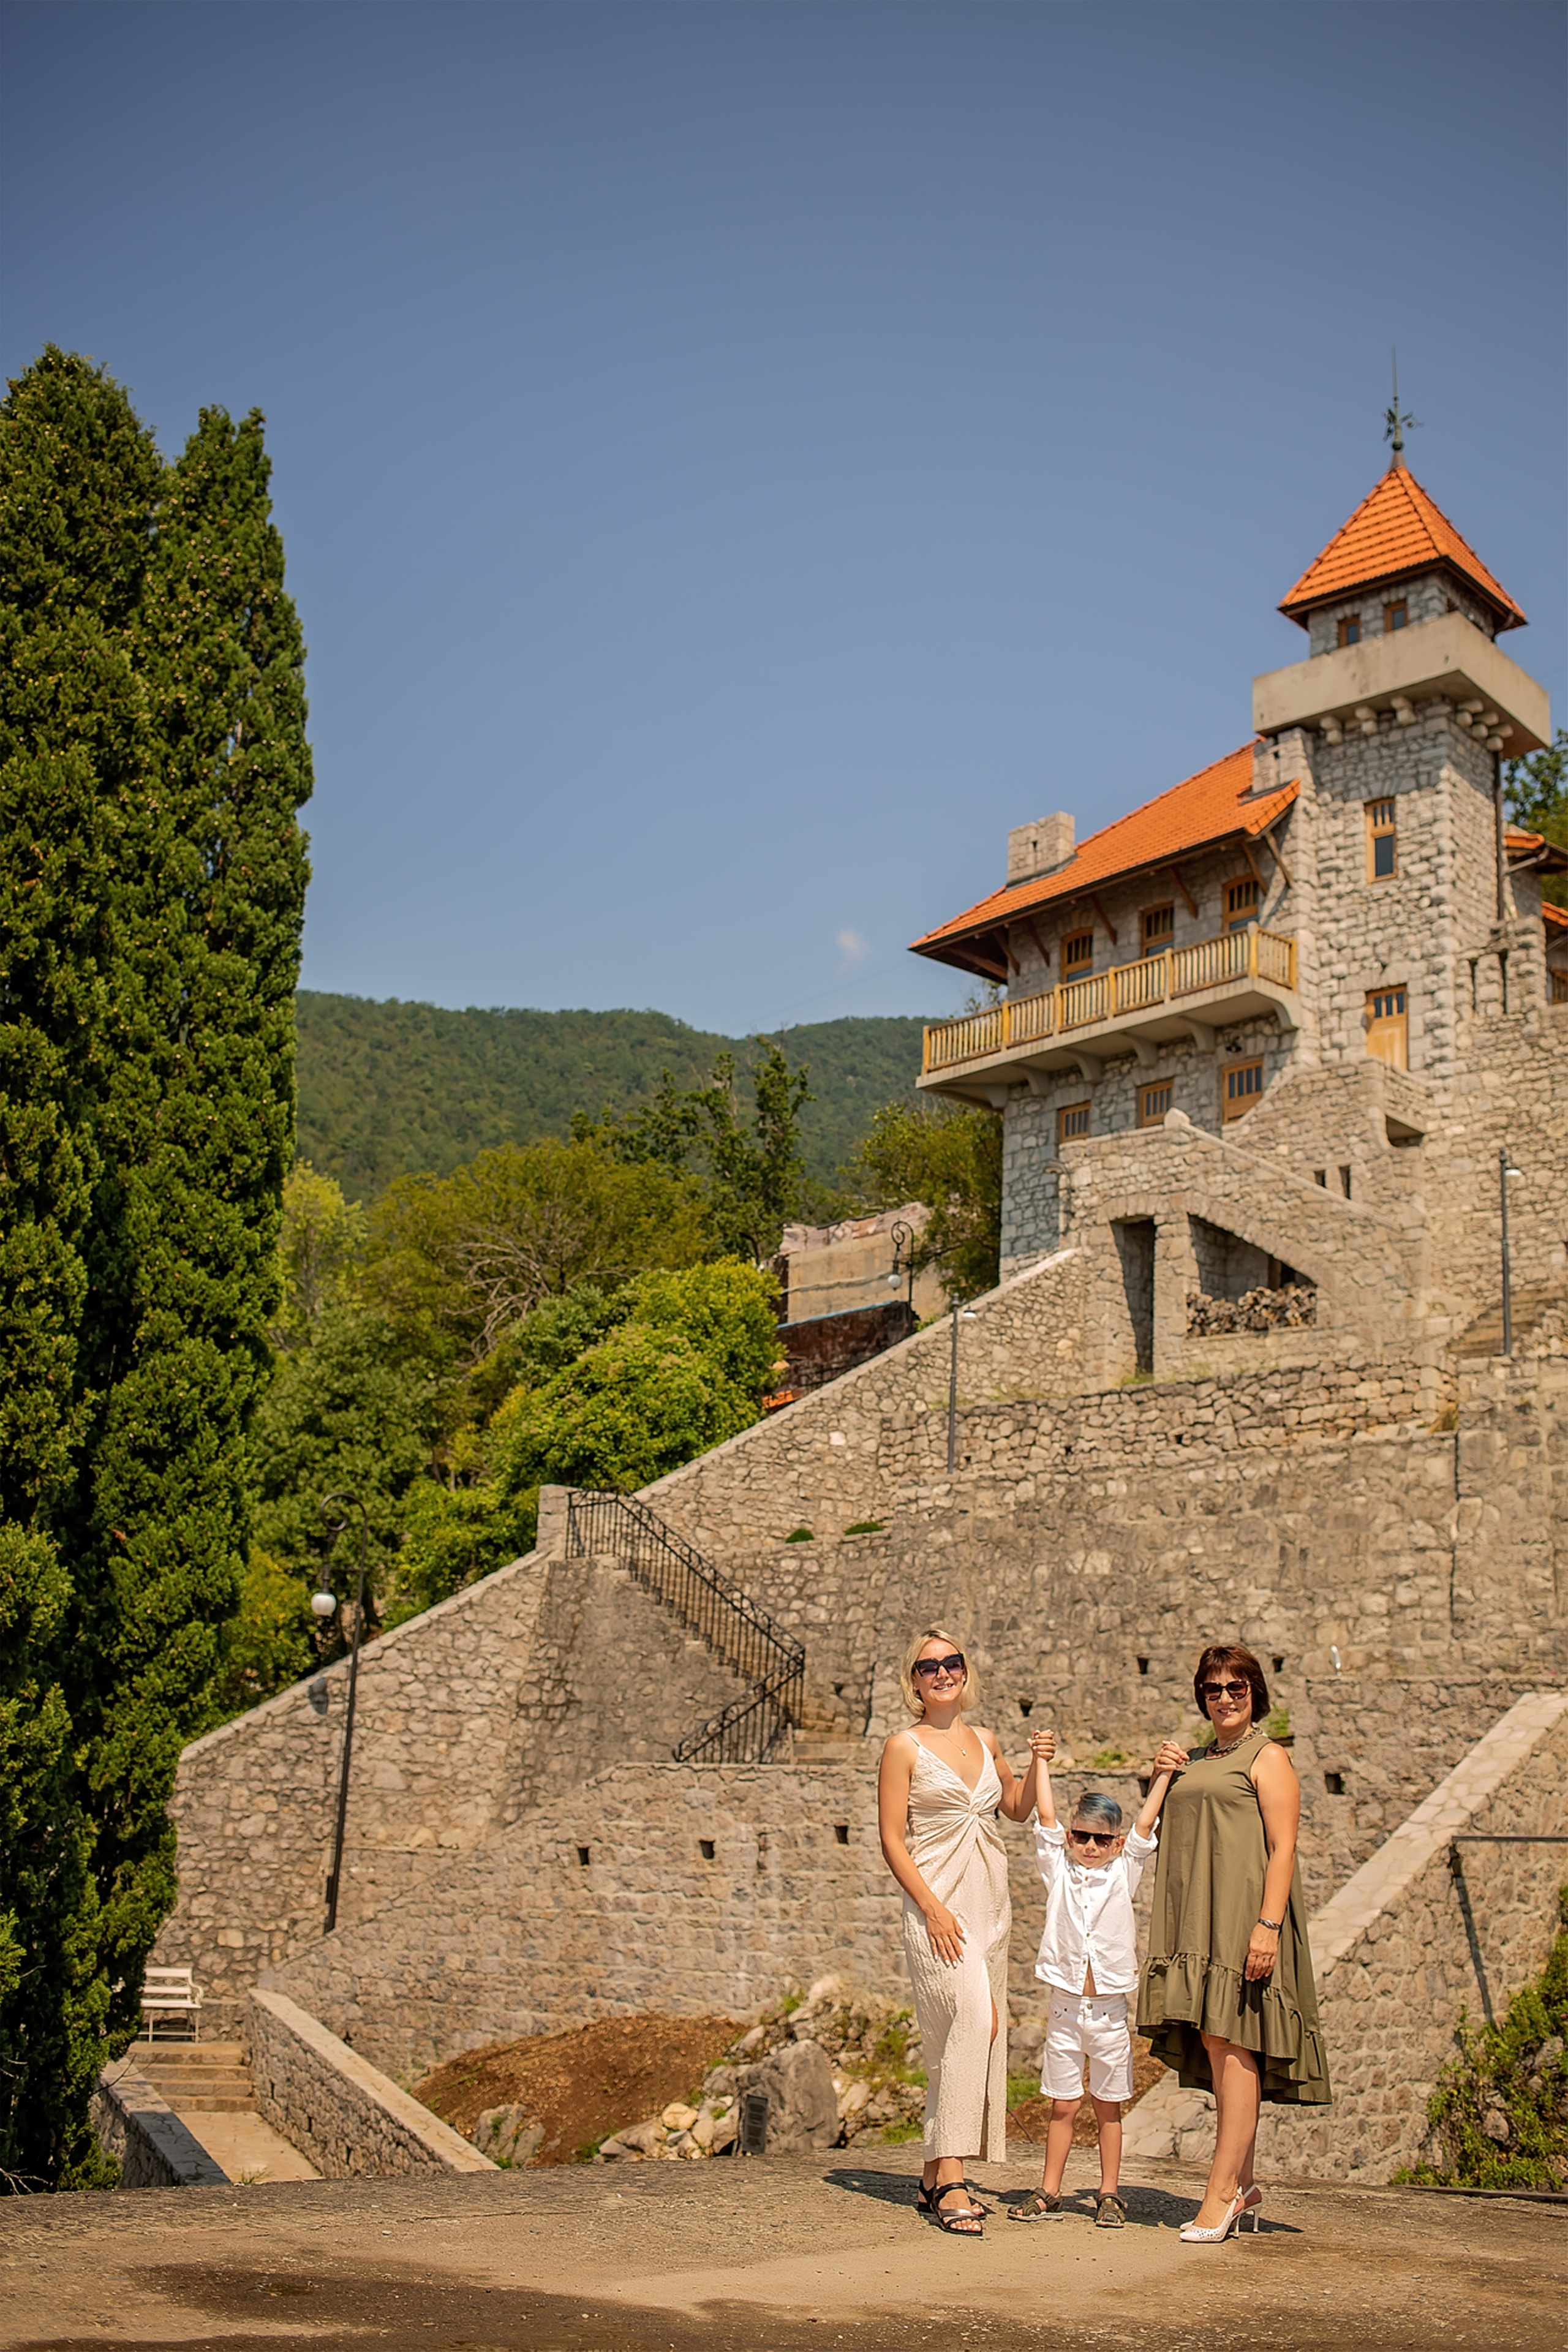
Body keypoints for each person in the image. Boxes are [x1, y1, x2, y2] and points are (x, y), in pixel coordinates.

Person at [1137, 1643, 1331, 2244]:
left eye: (1236, 1688)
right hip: (1197, 1920)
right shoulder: (1193, 1759)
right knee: (1218, 2042)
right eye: (1213, 1689)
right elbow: (1151, 1830)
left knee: (1231, 2041)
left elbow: (1283, 1848)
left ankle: (1221, 2194)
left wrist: (1267, 1927)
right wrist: (1162, 1776)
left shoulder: (1268, 1757)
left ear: (1254, 1694)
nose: (1224, 1698)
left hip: (1244, 1917)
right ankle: (1243, 2185)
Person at [877, 1627, 1045, 2236]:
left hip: (988, 1902)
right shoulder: (902, 1747)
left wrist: (1037, 1764)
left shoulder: (986, 1739)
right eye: (929, 1667)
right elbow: (891, 1838)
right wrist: (931, 1909)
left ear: (965, 1671)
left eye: (951, 1662)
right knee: (976, 2022)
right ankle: (952, 2176)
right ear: (914, 1681)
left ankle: (931, 2174)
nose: (943, 1672)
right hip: (937, 1904)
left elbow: (1016, 1808)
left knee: (963, 2033)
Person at [1008, 1745, 1180, 2229]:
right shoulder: (1058, 1872)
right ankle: (1050, 2189)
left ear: (1115, 1843)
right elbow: (1045, 1818)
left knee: (1109, 2107)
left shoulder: (1123, 1874)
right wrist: (1040, 1761)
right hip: (1065, 2010)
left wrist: (1163, 1775)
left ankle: (1109, 2193)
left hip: (1109, 2013)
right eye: (1081, 1836)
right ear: (1071, 1837)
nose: (1089, 1846)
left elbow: (1146, 1826)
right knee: (1063, 2106)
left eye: (1101, 1839)